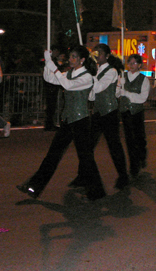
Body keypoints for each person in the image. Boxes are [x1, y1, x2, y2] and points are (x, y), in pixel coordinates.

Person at [16, 45, 106, 201]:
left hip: (81, 121)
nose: (70, 59)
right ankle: (34, 186)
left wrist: (53, 65)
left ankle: (97, 191)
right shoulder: (69, 73)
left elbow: (67, 85)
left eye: (74, 57)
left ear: (82, 60)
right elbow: (49, 78)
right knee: (53, 155)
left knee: (86, 158)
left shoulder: (87, 77)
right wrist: (47, 63)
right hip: (68, 120)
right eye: (70, 56)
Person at [85, 44, 129, 189]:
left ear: (107, 56)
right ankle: (82, 176)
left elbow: (98, 87)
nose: (98, 55)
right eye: (95, 52)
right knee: (87, 146)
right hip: (98, 112)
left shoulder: (112, 72)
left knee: (114, 146)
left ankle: (123, 176)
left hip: (109, 113)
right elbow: (92, 96)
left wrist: (91, 75)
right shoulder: (97, 71)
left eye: (101, 53)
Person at [117, 54, 150, 178]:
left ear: (139, 65)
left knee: (139, 138)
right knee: (129, 140)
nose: (131, 65)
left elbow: (142, 98)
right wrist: (118, 88)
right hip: (125, 112)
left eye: (134, 63)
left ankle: (141, 156)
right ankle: (133, 166)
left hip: (136, 112)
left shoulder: (143, 79)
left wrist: (126, 93)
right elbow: (117, 92)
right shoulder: (123, 77)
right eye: (130, 62)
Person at [44, 45, 68, 131]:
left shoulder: (60, 63)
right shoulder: (52, 62)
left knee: (54, 106)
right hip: (51, 87)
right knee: (51, 106)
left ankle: (52, 123)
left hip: (55, 86)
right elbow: (49, 75)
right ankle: (49, 123)